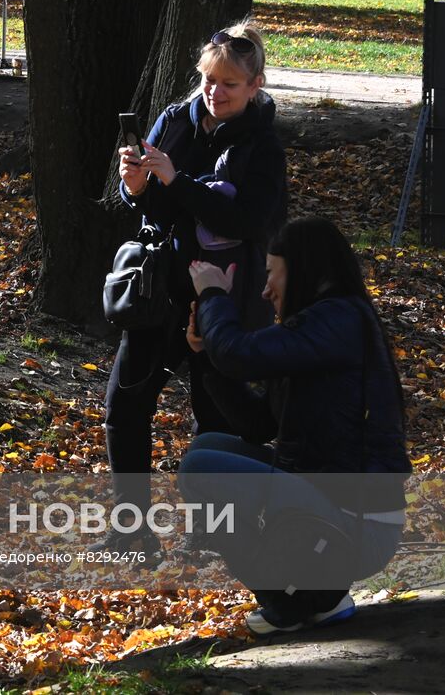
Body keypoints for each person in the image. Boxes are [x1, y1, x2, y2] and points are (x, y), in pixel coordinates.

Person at [98, 19, 289, 554]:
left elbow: (249, 223)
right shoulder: (174, 121)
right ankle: (131, 532)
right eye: (209, 79)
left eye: (229, 83)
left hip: (224, 301)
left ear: (255, 86)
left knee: (216, 419)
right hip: (159, 293)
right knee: (125, 408)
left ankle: (213, 536)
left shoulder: (263, 147)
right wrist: (135, 185)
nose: (215, 92)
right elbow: (153, 206)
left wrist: (175, 181)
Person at [179, 216, 411, 636]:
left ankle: (294, 600)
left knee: (200, 470)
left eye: (271, 273)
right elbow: (256, 423)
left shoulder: (337, 321)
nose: (265, 289)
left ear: (301, 268)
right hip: (327, 499)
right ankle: (312, 589)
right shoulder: (317, 328)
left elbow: (238, 352)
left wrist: (213, 293)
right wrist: (203, 352)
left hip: (359, 524)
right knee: (207, 448)